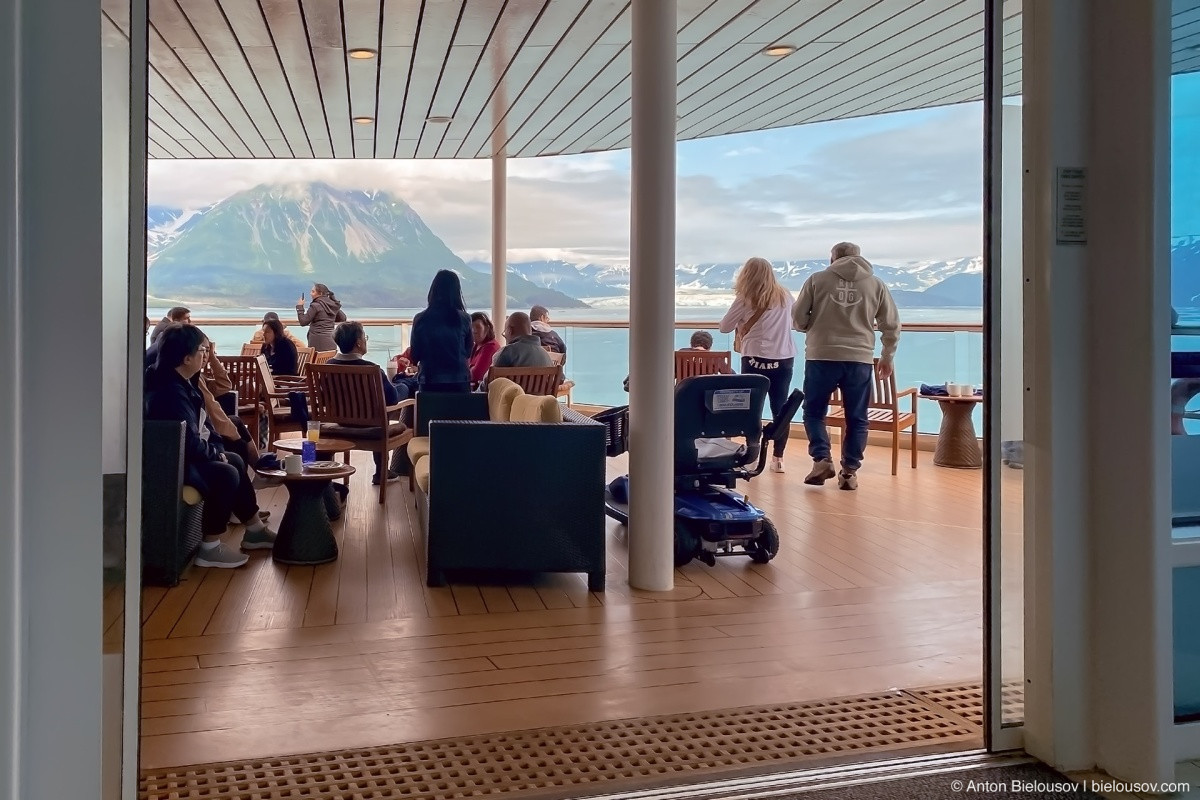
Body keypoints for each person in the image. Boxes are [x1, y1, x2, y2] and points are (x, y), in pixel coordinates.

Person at [144, 324, 275, 568]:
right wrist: (216, 454)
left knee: (233, 459)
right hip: (171, 464)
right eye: (202, 351)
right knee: (226, 470)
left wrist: (217, 450)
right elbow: (188, 440)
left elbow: (204, 428)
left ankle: (253, 529)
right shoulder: (171, 392)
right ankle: (210, 547)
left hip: (182, 456)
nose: (206, 355)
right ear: (186, 358)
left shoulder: (183, 381)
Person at [792, 241, 900, 491]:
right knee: (857, 417)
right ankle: (849, 473)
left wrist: (811, 326)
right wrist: (887, 355)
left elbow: (798, 318)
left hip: (821, 355)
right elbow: (891, 324)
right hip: (859, 359)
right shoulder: (876, 284)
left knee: (814, 412)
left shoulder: (817, 280)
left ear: (833, 258)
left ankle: (821, 459)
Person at [719, 257, 797, 474]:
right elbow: (794, 322)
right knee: (780, 408)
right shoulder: (785, 296)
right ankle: (778, 458)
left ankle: (752, 456)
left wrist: (743, 324)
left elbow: (725, 327)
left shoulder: (745, 298)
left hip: (754, 358)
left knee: (752, 409)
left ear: (746, 275)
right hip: (783, 358)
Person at [330, 321, 405, 485]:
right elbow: (392, 399)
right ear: (358, 342)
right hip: (370, 427)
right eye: (365, 337)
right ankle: (381, 472)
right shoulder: (372, 369)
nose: (365, 340)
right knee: (401, 391)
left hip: (340, 422)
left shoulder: (328, 366)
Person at [409, 270, 473, 393]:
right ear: (456, 292)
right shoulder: (464, 319)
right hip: (459, 381)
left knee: (430, 412)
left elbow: (415, 355)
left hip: (429, 381)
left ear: (433, 290)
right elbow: (468, 352)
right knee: (460, 413)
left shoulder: (420, 319)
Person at [295, 283, 346, 352]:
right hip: (331, 339)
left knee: (315, 361)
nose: (310, 293)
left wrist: (300, 307)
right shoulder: (332, 304)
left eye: (313, 291)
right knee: (328, 361)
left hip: (317, 340)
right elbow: (343, 318)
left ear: (320, 293)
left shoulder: (315, 305)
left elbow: (303, 321)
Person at [468, 311, 501, 388]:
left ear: (487, 328)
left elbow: (476, 374)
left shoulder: (491, 347)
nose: (474, 331)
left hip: (483, 392)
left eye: (478, 327)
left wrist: (469, 368)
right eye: (471, 327)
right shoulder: (475, 345)